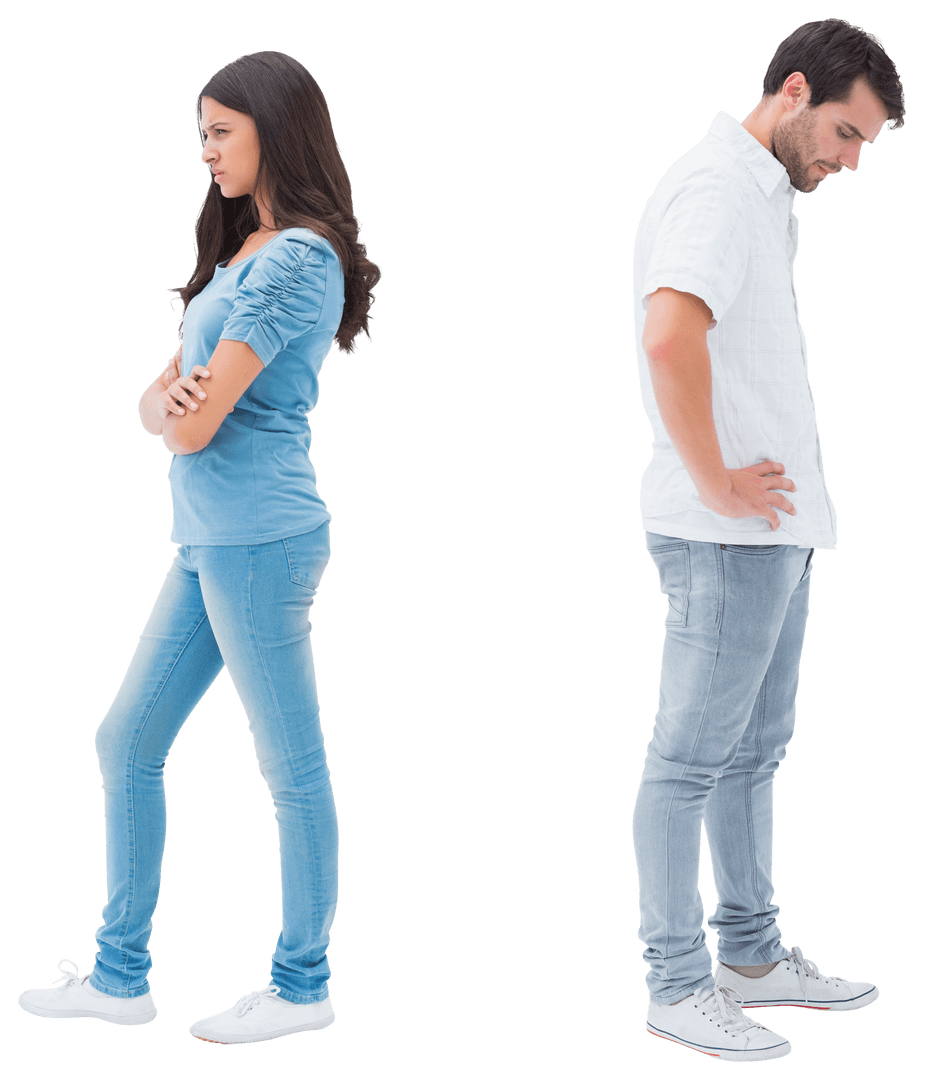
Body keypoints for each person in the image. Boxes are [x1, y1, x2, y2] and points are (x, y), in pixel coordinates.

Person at [17, 51, 380, 1045]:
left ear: (276, 130)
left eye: (222, 132)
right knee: (125, 741)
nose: (206, 151)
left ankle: (302, 987)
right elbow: (158, 403)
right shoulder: (243, 251)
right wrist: (168, 409)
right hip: (209, 539)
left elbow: (189, 422)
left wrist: (173, 413)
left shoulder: (298, 258)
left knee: (292, 770)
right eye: (201, 133)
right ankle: (119, 978)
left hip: (258, 539)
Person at [629, 19, 904, 1063]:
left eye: (864, 143)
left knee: (753, 754)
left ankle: (749, 958)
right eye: (845, 133)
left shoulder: (764, 198)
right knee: (687, 763)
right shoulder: (714, 189)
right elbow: (669, 335)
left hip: (773, 533)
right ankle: (675, 984)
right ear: (792, 93)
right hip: (725, 534)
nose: (851, 160)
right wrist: (715, 483)